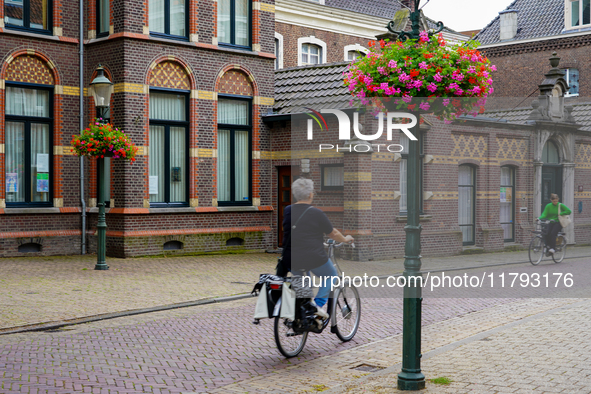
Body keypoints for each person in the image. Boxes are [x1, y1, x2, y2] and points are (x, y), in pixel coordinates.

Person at [280, 178, 354, 318]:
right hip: (312, 256)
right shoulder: (316, 213)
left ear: (295, 194)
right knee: (331, 275)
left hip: (290, 258)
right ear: (310, 195)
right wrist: (345, 239)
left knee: (304, 285)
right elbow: (333, 233)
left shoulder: (288, 210)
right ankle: (317, 306)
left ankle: (302, 316)